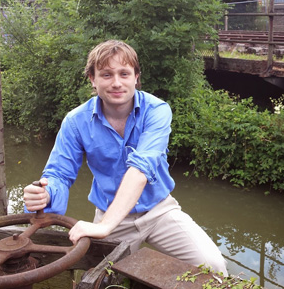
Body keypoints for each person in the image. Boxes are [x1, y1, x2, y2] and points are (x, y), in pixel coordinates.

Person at [23, 39, 228, 275]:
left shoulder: (157, 110)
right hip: (110, 214)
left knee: (214, 267)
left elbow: (141, 168)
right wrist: (46, 194)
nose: (117, 83)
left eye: (124, 73)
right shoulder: (75, 122)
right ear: (93, 79)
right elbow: (59, 173)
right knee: (99, 278)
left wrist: (105, 227)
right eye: (107, 75)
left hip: (159, 210)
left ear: (136, 77)